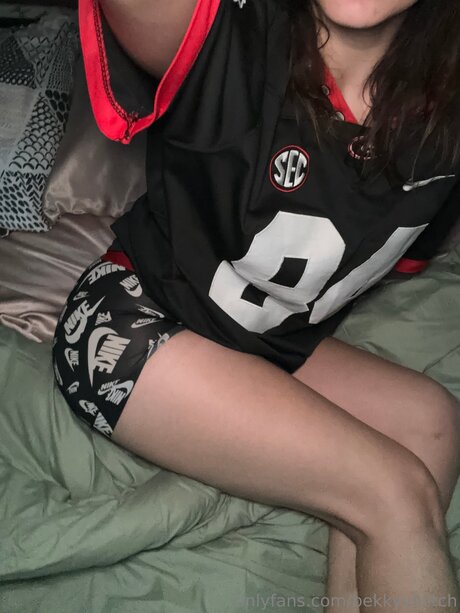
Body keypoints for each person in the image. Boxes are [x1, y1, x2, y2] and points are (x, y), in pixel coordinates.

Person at [53, 0, 460, 610]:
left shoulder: (443, 110)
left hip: (266, 340)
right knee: (396, 493)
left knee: (431, 420)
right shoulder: (231, 33)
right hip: (128, 322)